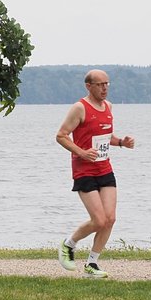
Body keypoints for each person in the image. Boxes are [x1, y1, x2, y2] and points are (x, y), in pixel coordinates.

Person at [55, 69, 135, 278]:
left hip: (104, 168)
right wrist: (81, 152)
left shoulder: (108, 106)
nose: (104, 88)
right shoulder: (79, 108)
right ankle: (68, 244)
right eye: (100, 84)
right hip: (84, 170)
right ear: (88, 86)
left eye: (107, 84)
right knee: (99, 220)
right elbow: (61, 135)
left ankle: (92, 263)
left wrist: (121, 142)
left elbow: (105, 136)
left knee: (110, 219)